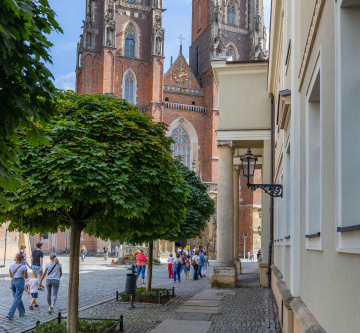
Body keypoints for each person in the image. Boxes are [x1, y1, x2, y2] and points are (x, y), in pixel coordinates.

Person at [7, 253, 28, 320]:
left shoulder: (11, 266)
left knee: (17, 297)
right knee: (17, 298)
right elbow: (26, 277)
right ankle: (10, 314)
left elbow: (11, 276)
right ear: (22, 259)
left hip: (13, 281)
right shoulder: (24, 267)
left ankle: (21, 312)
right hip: (20, 281)